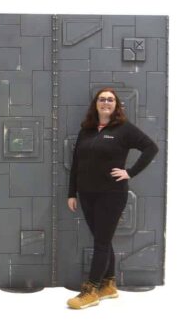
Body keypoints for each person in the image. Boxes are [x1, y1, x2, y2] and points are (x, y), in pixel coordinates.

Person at [66, 87, 159, 309]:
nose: (106, 102)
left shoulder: (124, 129)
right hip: (86, 194)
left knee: (101, 242)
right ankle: (108, 285)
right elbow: (76, 163)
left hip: (111, 195)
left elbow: (151, 148)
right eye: (102, 99)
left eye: (110, 99)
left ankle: (91, 290)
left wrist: (130, 172)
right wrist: (71, 193)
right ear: (96, 104)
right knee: (103, 240)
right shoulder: (86, 130)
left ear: (116, 105)